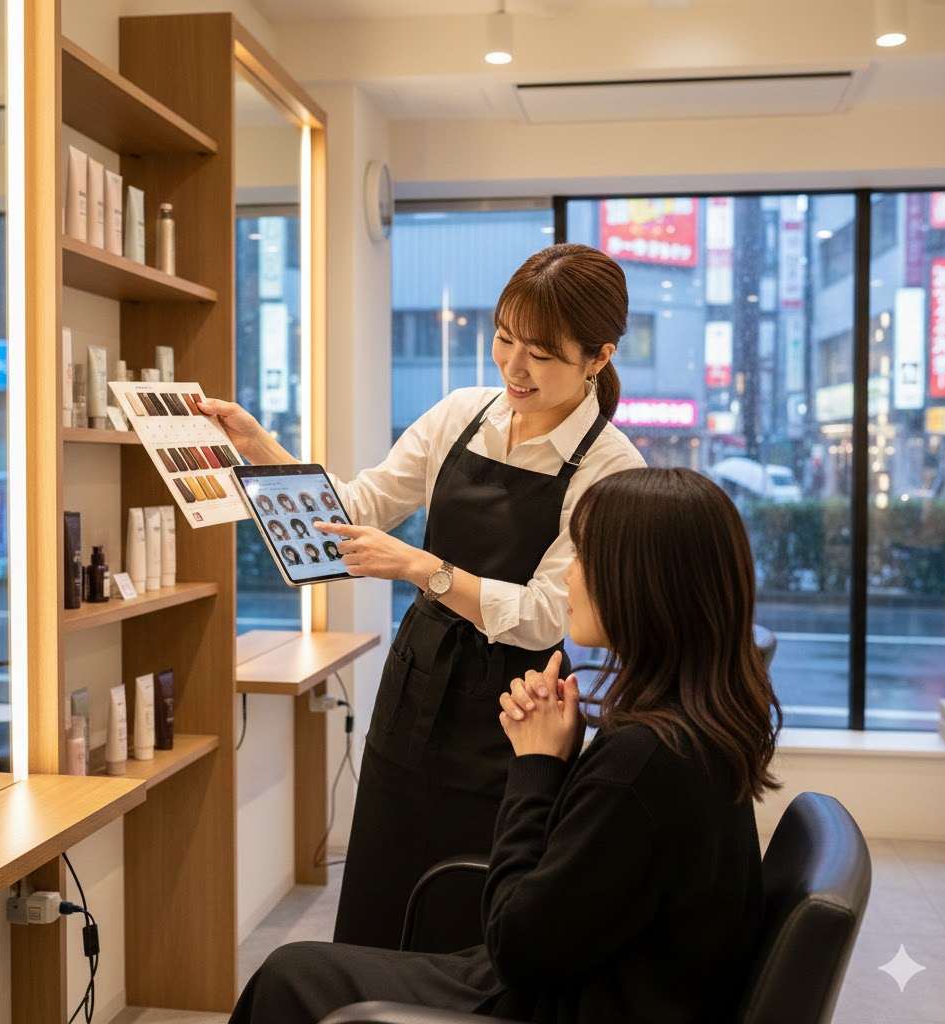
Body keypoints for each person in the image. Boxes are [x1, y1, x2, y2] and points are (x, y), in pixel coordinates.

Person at [199, 243, 645, 949]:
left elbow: (542, 616)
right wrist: (259, 447)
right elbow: (357, 505)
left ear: (598, 357)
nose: (513, 367)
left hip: (514, 708)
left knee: (471, 908)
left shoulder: (611, 466)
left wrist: (424, 569)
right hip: (416, 684)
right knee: (381, 885)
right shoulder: (462, 415)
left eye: (541, 353)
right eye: (503, 339)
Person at [229, 468, 783, 1024]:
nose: (568, 576)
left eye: (584, 557)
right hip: (602, 978)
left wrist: (536, 765)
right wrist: (562, 760)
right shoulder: (701, 726)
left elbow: (516, 946)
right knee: (305, 968)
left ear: (641, 583)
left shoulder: (641, 762)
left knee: (288, 976)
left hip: (553, 1001)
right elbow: (594, 872)